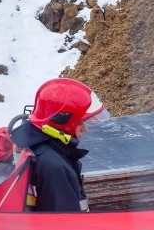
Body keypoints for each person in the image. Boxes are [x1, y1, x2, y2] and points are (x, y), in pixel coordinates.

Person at [9, 77, 109, 211]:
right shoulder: (56, 167)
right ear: (63, 122)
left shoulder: (37, 148)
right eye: (80, 122)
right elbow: (64, 225)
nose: (85, 128)